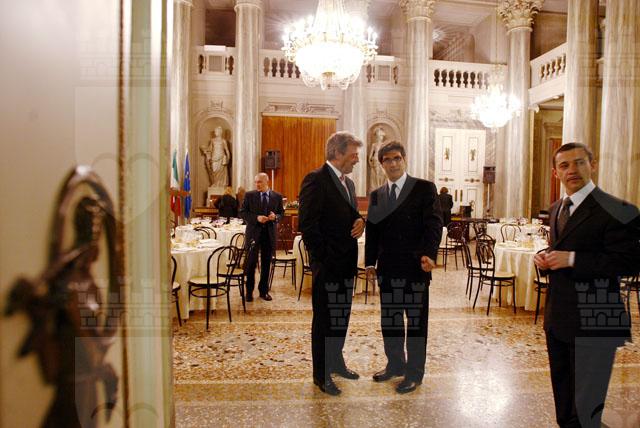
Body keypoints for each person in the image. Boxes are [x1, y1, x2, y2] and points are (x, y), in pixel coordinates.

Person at [533, 142, 640, 428]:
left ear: (592, 165)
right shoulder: (556, 208)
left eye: (579, 162)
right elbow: (562, 248)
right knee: (564, 399)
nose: (572, 170)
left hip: (597, 317)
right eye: (564, 165)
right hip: (558, 317)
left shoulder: (619, 209)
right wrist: (545, 259)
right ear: (556, 173)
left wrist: (572, 259)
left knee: (587, 406)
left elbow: (630, 261)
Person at [365, 141, 443, 394]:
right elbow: (373, 231)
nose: (393, 163)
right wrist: (369, 262)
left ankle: (414, 373)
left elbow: (434, 224)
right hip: (388, 268)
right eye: (387, 159)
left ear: (404, 159)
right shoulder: (377, 195)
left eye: (397, 158)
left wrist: (429, 254)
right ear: (381, 164)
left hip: (416, 267)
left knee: (416, 323)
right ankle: (395, 365)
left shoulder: (424, 188)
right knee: (391, 321)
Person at [298, 131, 365, 396]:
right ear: (337, 153)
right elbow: (308, 225)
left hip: (347, 263)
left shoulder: (349, 184)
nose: (357, 159)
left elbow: (351, 214)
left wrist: (360, 220)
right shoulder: (316, 179)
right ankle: (321, 374)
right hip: (327, 265)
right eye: (354, 154)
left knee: (341, 317)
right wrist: (322, 260)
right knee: (325, 320)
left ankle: (336, 361)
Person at [240, 173, 284, 302]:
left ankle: (263, 291)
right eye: (256, 182)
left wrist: (275, 217)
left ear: (266, 181)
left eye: (259, 182)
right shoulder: (249, 195)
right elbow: (243, 213)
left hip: (269, 234)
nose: (257, 184)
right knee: (251, 263)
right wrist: (257, 218)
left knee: (266, 264)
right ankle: (249, 292)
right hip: (253, 234)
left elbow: (281, 213)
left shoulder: (277, 196)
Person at [368, 126, 387, 191]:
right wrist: (369, 161)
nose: (381, 137)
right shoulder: (374, 144)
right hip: (375, 159)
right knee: (377, 173)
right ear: (377, 137)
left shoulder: (384, 144)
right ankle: (378, 187)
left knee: (384, 173)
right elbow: (370, 155)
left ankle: (382, 186)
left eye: (382, 136)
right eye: (380, 136)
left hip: (382, 160)